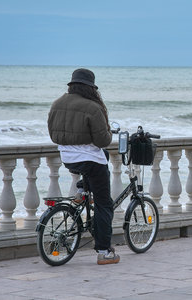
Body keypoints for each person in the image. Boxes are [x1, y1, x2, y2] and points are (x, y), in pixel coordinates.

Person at [47, 68, 120, 265]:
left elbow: (53, 134)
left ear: (72, 85)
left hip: (68, 158)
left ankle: (82, 190)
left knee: (98, 160)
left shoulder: (57, 103)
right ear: (90, 88)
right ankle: (104, 251)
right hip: (89, 160)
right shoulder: (93, 107)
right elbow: (103, 141)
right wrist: (108, 132)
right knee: (105, 204)